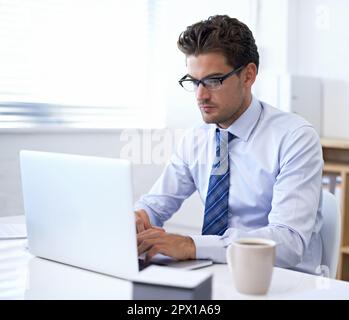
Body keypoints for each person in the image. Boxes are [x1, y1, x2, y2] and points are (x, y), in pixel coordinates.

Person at [134, 15, 323, 274]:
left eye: (213, 80)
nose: (200, 95)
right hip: (214, 273)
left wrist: (192, 245)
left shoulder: (295, 137)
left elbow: (289, 243)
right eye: (194, 81)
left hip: (281, 280)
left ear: (248, 75)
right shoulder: (196, 138)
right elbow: (155, 205)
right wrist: (138, 218)